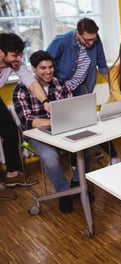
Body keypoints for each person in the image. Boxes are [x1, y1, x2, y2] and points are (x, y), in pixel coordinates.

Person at [12, 50, 95, 213]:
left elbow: (72, 109)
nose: (48, 71)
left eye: (50, 67)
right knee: (50, 157)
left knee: (91, 145)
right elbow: (27, 121)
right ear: (33, 68)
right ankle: (64, 191)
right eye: (43, 68)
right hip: (36, 134)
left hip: (63, 129)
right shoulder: (21, 89)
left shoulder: (60, 84)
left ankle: (78, 183)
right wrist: (55, 122)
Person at [47, 17, 110, 162]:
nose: (91, 43)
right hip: (62, 88)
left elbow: (102, 64)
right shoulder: (62, 41)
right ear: (77, 33)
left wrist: (113, 89)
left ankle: (85, 154)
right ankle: (76, 161)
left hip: (82, 87)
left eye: (93, 40)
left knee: (86, 121)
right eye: (87, 40)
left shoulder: (94, 38)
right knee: (69, 124)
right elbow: (44, 61)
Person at [0, 32, 45, 200]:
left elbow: (31, 83)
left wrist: (46, 101)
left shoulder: (15, 64)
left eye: (20, 54)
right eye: (14, 55)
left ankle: (12, 174)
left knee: (11, 131)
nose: (18, 59)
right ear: (0, 53)